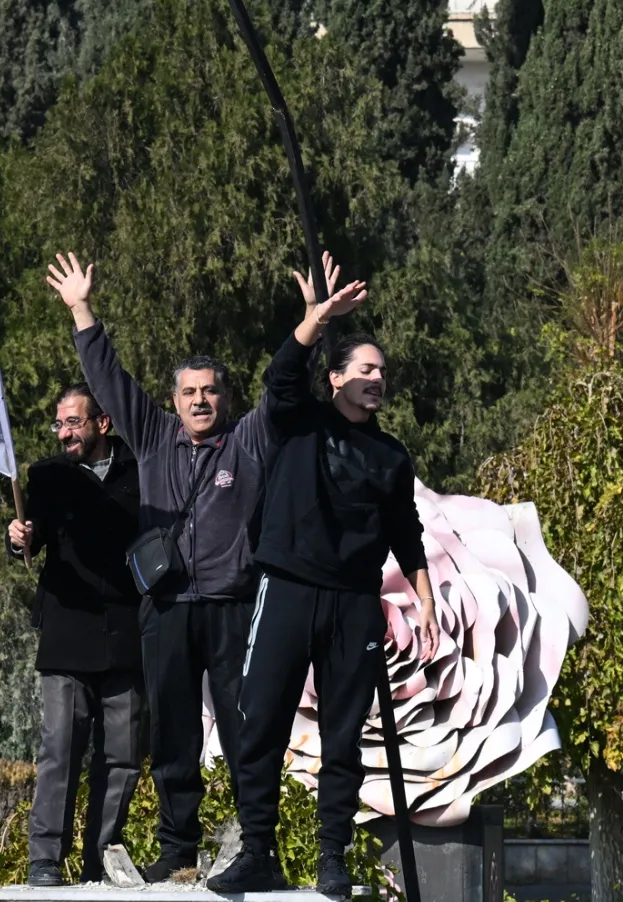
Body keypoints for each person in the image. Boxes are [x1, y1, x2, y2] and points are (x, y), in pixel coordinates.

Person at [44, 252, 277, 883]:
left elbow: (282, 389)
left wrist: (310, 326)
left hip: (230, 606)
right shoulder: (151, 436)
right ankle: (178, 846)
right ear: (173, 401)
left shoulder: (248, 440)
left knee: (243, 730)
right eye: (189, 391)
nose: (200, 400)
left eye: (210, 390)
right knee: (173, 736)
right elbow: (108, 375)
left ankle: (261, 845)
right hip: (166, 610)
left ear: (225, 398)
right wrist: (80, 308)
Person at [212, 259, 438, 900]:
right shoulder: (298, 422)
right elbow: (280, 375)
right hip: (286, 589)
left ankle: (331, 858)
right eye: (364, 369)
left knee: (344, 737)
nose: (376, 379)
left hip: (353, 605)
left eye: (382, 372)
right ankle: (259, 851)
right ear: (335, 377)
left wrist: (422, 602)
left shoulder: (391, 455)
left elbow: (407, 534)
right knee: (260, 724)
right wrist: (318, 319)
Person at [7, 384, 144, 886]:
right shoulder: (46, 477)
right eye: (59, 424)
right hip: (66, 633)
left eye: (74, 422)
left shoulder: (139, 468)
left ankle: (102, 860)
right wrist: (17, 536)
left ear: (101, 423)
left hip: (127, 635)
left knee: (123, 756)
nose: (65, 432)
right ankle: (45, 859)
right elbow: (31, 535)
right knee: (60, 748)